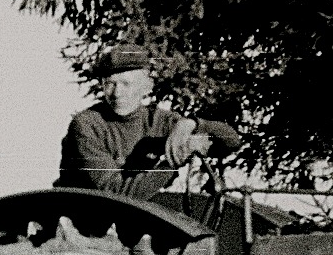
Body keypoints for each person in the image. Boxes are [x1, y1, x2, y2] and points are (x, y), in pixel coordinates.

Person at [55, 45, 242, 198]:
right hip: (77, 223)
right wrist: (174, 160)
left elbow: (232, 141)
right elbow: (115, 193)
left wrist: (191, 124)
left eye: (126, 84)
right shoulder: (87, 125)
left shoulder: (160, 122)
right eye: (110, 84)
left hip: (129, 221)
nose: (117, 93)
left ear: (147, 86)